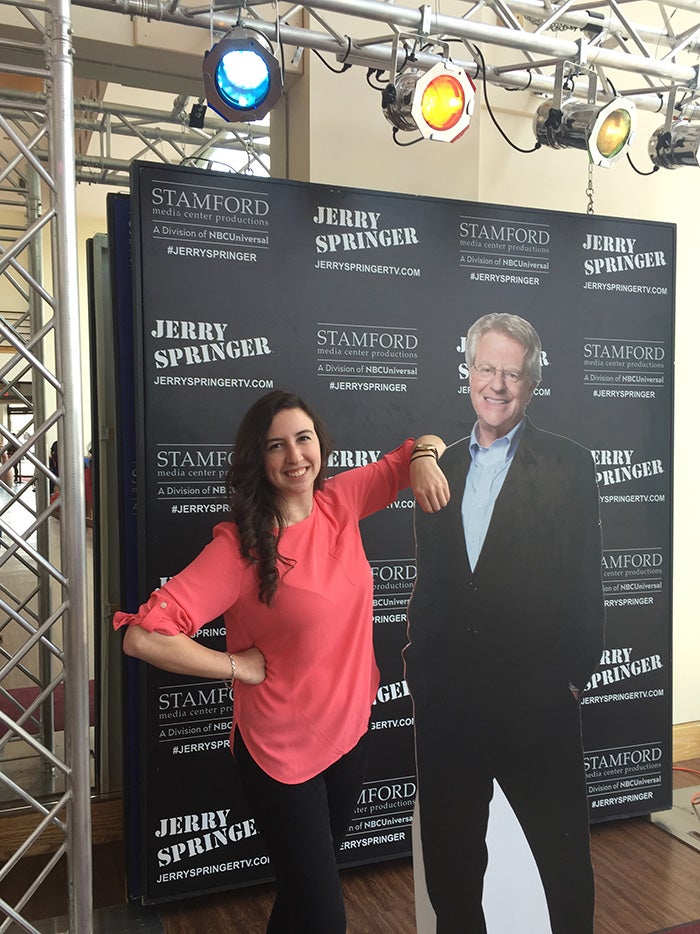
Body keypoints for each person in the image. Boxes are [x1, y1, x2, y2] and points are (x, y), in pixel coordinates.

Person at [114, 389, 448, 933]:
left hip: (348, 735)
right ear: (258, 459)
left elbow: (417, 448)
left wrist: (427, 458)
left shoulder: (340, 500)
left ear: (320, 444)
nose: (295, 457)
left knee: (300, 899)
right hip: (280, 755)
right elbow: (144, 637)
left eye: (303, 439)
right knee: (323, 918)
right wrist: (235, 666)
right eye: (276, 446)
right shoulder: (240, 548)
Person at [405, 314, 605, 934]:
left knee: (564, 870)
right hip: (450, 712)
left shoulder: (569, 465)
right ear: (467, 371)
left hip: (535, 708)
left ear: (532, 381)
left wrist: (571, 679)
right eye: (486, 368)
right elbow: (436, 583)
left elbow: (585, 585)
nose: (497, 384)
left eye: (512, 373)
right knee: (452, 873)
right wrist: (423, 675)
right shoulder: (439, 467)